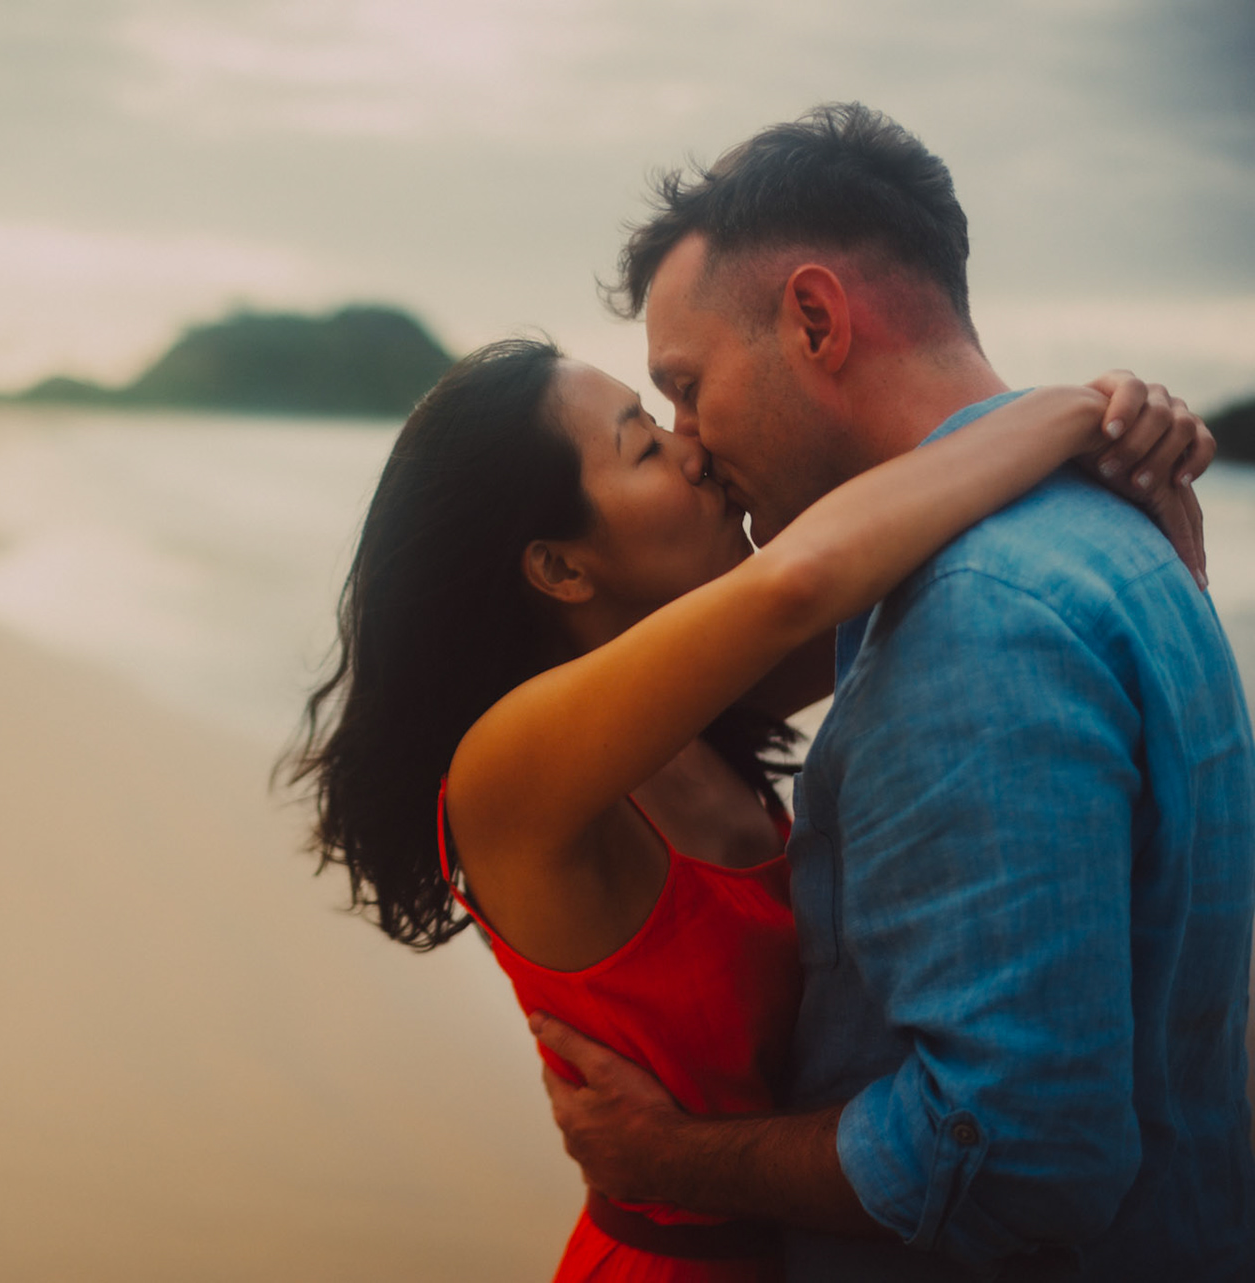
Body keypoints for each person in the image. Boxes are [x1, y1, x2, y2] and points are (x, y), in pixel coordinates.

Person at [287, 323, 1207, 1278]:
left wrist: (1126, 446)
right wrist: (1071, 410)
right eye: (644, 444)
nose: (693, 448)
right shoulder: (508, 771)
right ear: (560, 566)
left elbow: (901, 566)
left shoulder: (701, 717)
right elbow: (804, 578)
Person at [528, 103, 1255, 1280]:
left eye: (687, 385)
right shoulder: (1114, 537)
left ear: (815, 318)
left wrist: (676, 1162)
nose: (692, 442)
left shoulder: (974, 618)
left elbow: (1019, 1156)